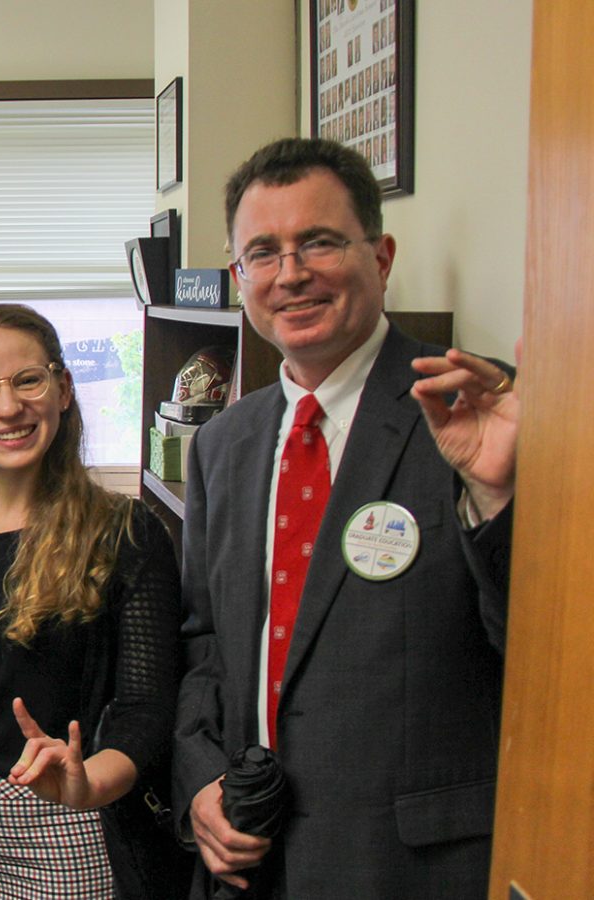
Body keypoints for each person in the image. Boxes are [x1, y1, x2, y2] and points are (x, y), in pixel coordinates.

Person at [173, 137, 518, 899]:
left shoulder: (476, 416)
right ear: (240, 278)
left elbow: (543, 646)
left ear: (382, 256)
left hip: (410, 867)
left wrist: (498, 499)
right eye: (263, 252)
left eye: (319, 242)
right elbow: (206, 644)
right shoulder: (223, 444)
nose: (291, 273)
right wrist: (201, 781)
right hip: (252, 859)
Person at [0, 304, 184, 899]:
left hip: (71, 830)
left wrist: (87, 782)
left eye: (28, 380)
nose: (7, 408)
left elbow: (147, 709)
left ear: (63, 388)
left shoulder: (123, 531)